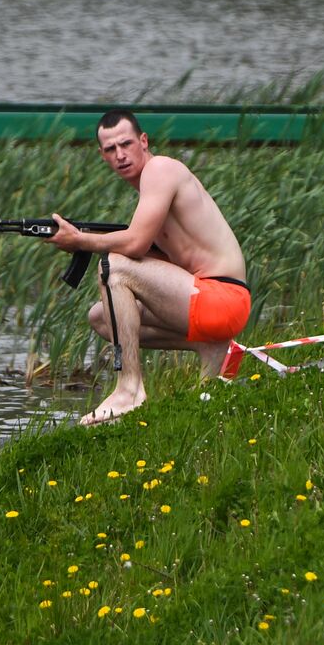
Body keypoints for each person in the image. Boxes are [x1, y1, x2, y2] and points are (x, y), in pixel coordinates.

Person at [47, 109, 250, 426]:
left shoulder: (160, 169)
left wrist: (80, 240)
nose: (121, 155)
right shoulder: (150, 193)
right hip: (208, 305)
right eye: (111, 150)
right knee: (102, 318)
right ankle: (214, 347)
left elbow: (135, 244)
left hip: (221, 299)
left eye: (126, 144)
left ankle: (129, 390)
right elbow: (159, 259)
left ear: (143, 141)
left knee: (114, 267)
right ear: (102, 156)